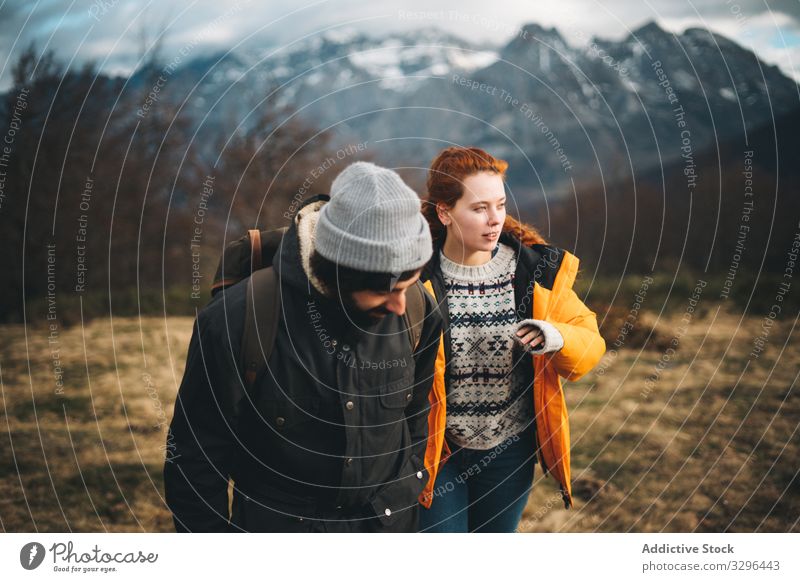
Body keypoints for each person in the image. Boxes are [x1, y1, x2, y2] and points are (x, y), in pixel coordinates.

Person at [164, 161, 443, 532]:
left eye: (409, 284)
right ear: (338, 272)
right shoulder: (237, 321)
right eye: (383, 291)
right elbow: (196, 460)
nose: (399, 306)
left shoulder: (420, 312)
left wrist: (406, 485)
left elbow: (415, 413)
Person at [416, 147, 606, 532]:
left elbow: (590, 344)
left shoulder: (534, 275)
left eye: (500, 205)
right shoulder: (414, 277)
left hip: (509, 454)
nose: (495, 219)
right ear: (444, 212)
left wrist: (556, 336)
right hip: (436, 453)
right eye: (479, 208)